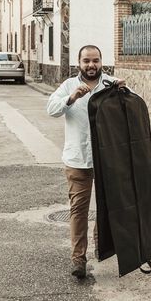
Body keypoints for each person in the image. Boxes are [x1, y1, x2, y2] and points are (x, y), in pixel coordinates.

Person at [46, 45, 125, 279]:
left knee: (106, 207)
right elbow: (51, 109)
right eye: (87, 61)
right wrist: (71, 99)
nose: (92, 65)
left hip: (106, 160)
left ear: (102, 62)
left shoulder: (111, 84)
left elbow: (133, 108)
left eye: (96, 61)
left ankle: (101, 247)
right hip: (77, 159)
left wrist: (124, 94)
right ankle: (78, 259)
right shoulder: (69, 85)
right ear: (79, 62)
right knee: (78, 211)